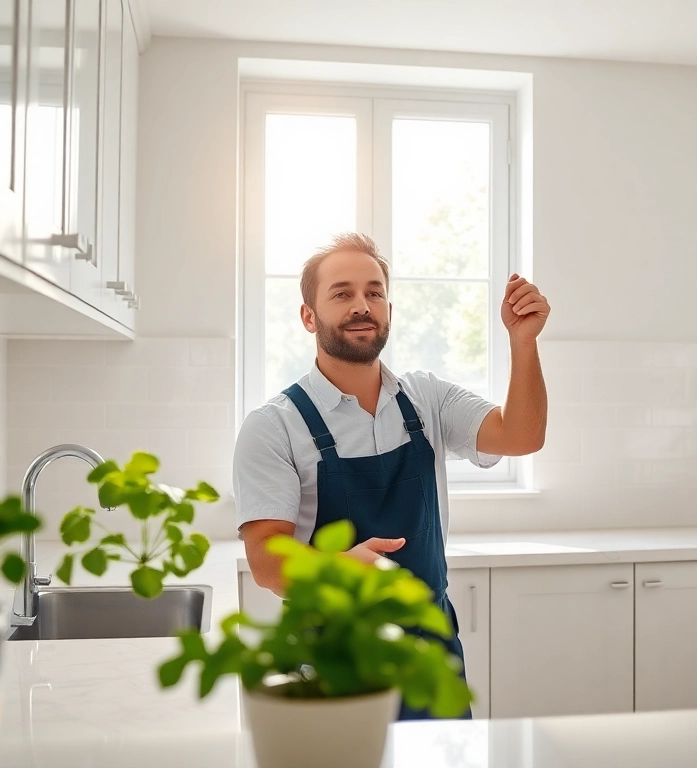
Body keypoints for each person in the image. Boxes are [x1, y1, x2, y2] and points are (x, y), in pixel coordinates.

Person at [233, 232, 549, 720]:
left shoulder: (427, 399)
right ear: (308, 316)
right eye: (342, 293)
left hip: (431, 650)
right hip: (337, 656)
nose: (362, 305)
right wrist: (338, 570)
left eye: (374, 292)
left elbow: (520, 436)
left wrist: (522, 342)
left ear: (389, 311)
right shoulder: (273, 426)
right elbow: (266, 562)